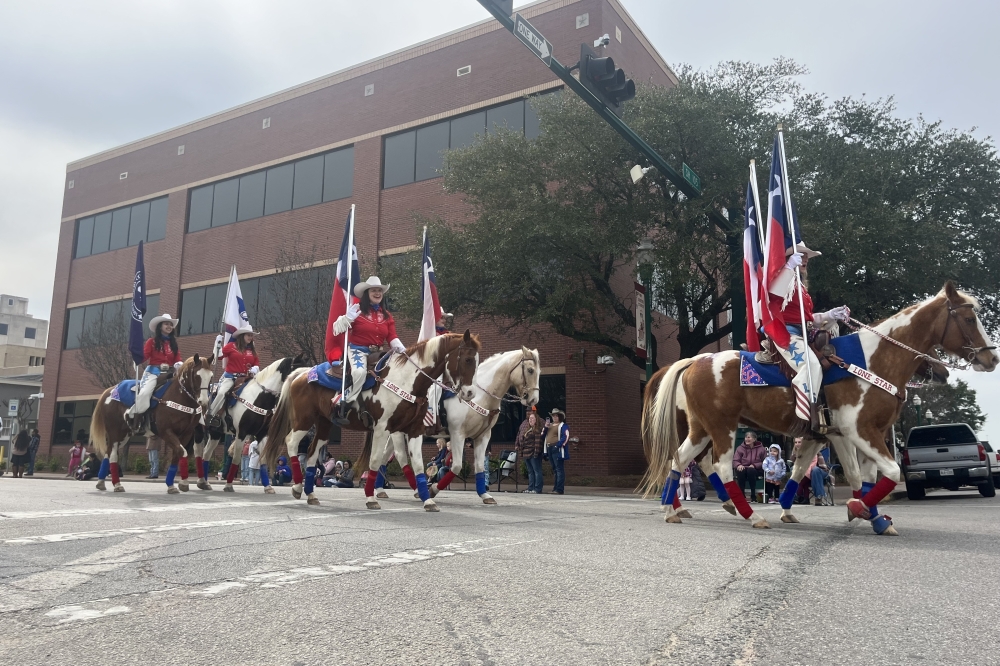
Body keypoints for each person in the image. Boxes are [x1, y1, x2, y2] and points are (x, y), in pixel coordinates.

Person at [764, 243, 851, 434]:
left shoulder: (800, 285)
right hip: (786, 334)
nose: (805, 259)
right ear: (788, 258)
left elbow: (807, 319)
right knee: (811, 366)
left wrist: (830, 315)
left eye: (806, 257)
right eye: (800, 255)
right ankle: (804, 419)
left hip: (802, 332)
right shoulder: (783, 279)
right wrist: (787, 269)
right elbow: (772, 295)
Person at [327, 276, 407, 416]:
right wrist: (348, 318)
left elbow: (392, 337)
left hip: (379, 353)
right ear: (367, 294)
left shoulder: (387, 315)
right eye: (373, 291)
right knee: (359, 372)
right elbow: (337, 330)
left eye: (379, 291)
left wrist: (405, 351)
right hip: (358, 350)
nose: (377, 293)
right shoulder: (356, 311)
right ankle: (345, 400)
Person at [127, 313, 183, 420]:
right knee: (145, 393)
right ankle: (135, 417)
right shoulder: (151, 342)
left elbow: (177, 359)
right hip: (154, 373)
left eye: (171, 325)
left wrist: (180, 366)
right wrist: (137, 357)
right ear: (160, 326)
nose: (169, 327)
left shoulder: (173, 343)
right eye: (166, 324)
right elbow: (144, 356)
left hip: (170, 373)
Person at [208, 324, 260, 427]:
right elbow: (218, 357)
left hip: (247, 378)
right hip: (231, 377)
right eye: (248, 335)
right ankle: (212, 415)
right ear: (242, 336)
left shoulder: (252, 349)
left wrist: (255, 368)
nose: (250, 337)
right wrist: (217, 344)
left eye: (251, 335)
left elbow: (256, 362)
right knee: (222, 392)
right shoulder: (231, 346)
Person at [733, 431, 766, 502]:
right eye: (746, 437)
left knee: (751, 471)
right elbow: (735, 460)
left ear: (754, 439)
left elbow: (765, 461)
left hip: (756, 469)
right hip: (744, 468)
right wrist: (739, 465)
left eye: (749, 437)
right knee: (740, 470)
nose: (747, 439)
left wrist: (754, 465)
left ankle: (753, 495)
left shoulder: (761, 449)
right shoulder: (740, 448)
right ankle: (742, 494)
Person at [517, 410, 545, 494]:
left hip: (533, 453)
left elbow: (538, 443)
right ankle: (530, 488)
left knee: (537, 471)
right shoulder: (527, 429)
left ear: (536, 419)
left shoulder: (537, 430)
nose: (530, 420)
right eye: (529, 418)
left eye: (532, 418)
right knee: (530, 471)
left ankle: (537, 489)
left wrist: (536, 453)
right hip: (526, 453)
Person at [543, 409, 569, 495]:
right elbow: (542, 435)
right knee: (555, 469)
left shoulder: (562, 425)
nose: (554, 417)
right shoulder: (549, 425)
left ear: (560, 417)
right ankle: (555, 488)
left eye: (556, 416)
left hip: (556, 448)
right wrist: (546, 427)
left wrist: (558, 445)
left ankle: (559, 489)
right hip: (549, 448)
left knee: (559, 469)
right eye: (553, 416)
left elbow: (566, 436)